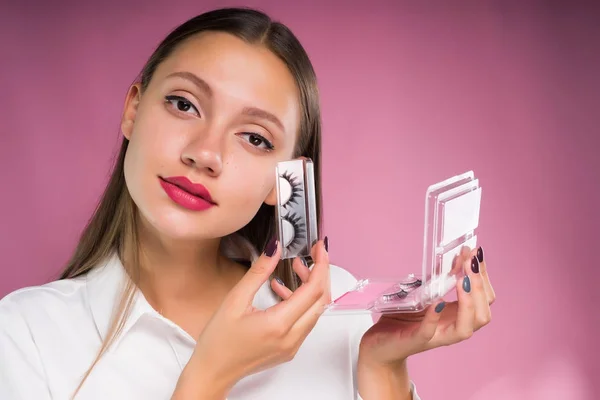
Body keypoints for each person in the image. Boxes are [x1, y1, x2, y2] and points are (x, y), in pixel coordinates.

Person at [0, 7, 495, 400]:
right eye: (184, 104)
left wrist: (382, 369)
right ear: (133, 110)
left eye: (254, 138)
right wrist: (209, 378)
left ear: (285, 183)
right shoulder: (26, 335)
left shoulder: (332, 312)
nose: (205, 153)